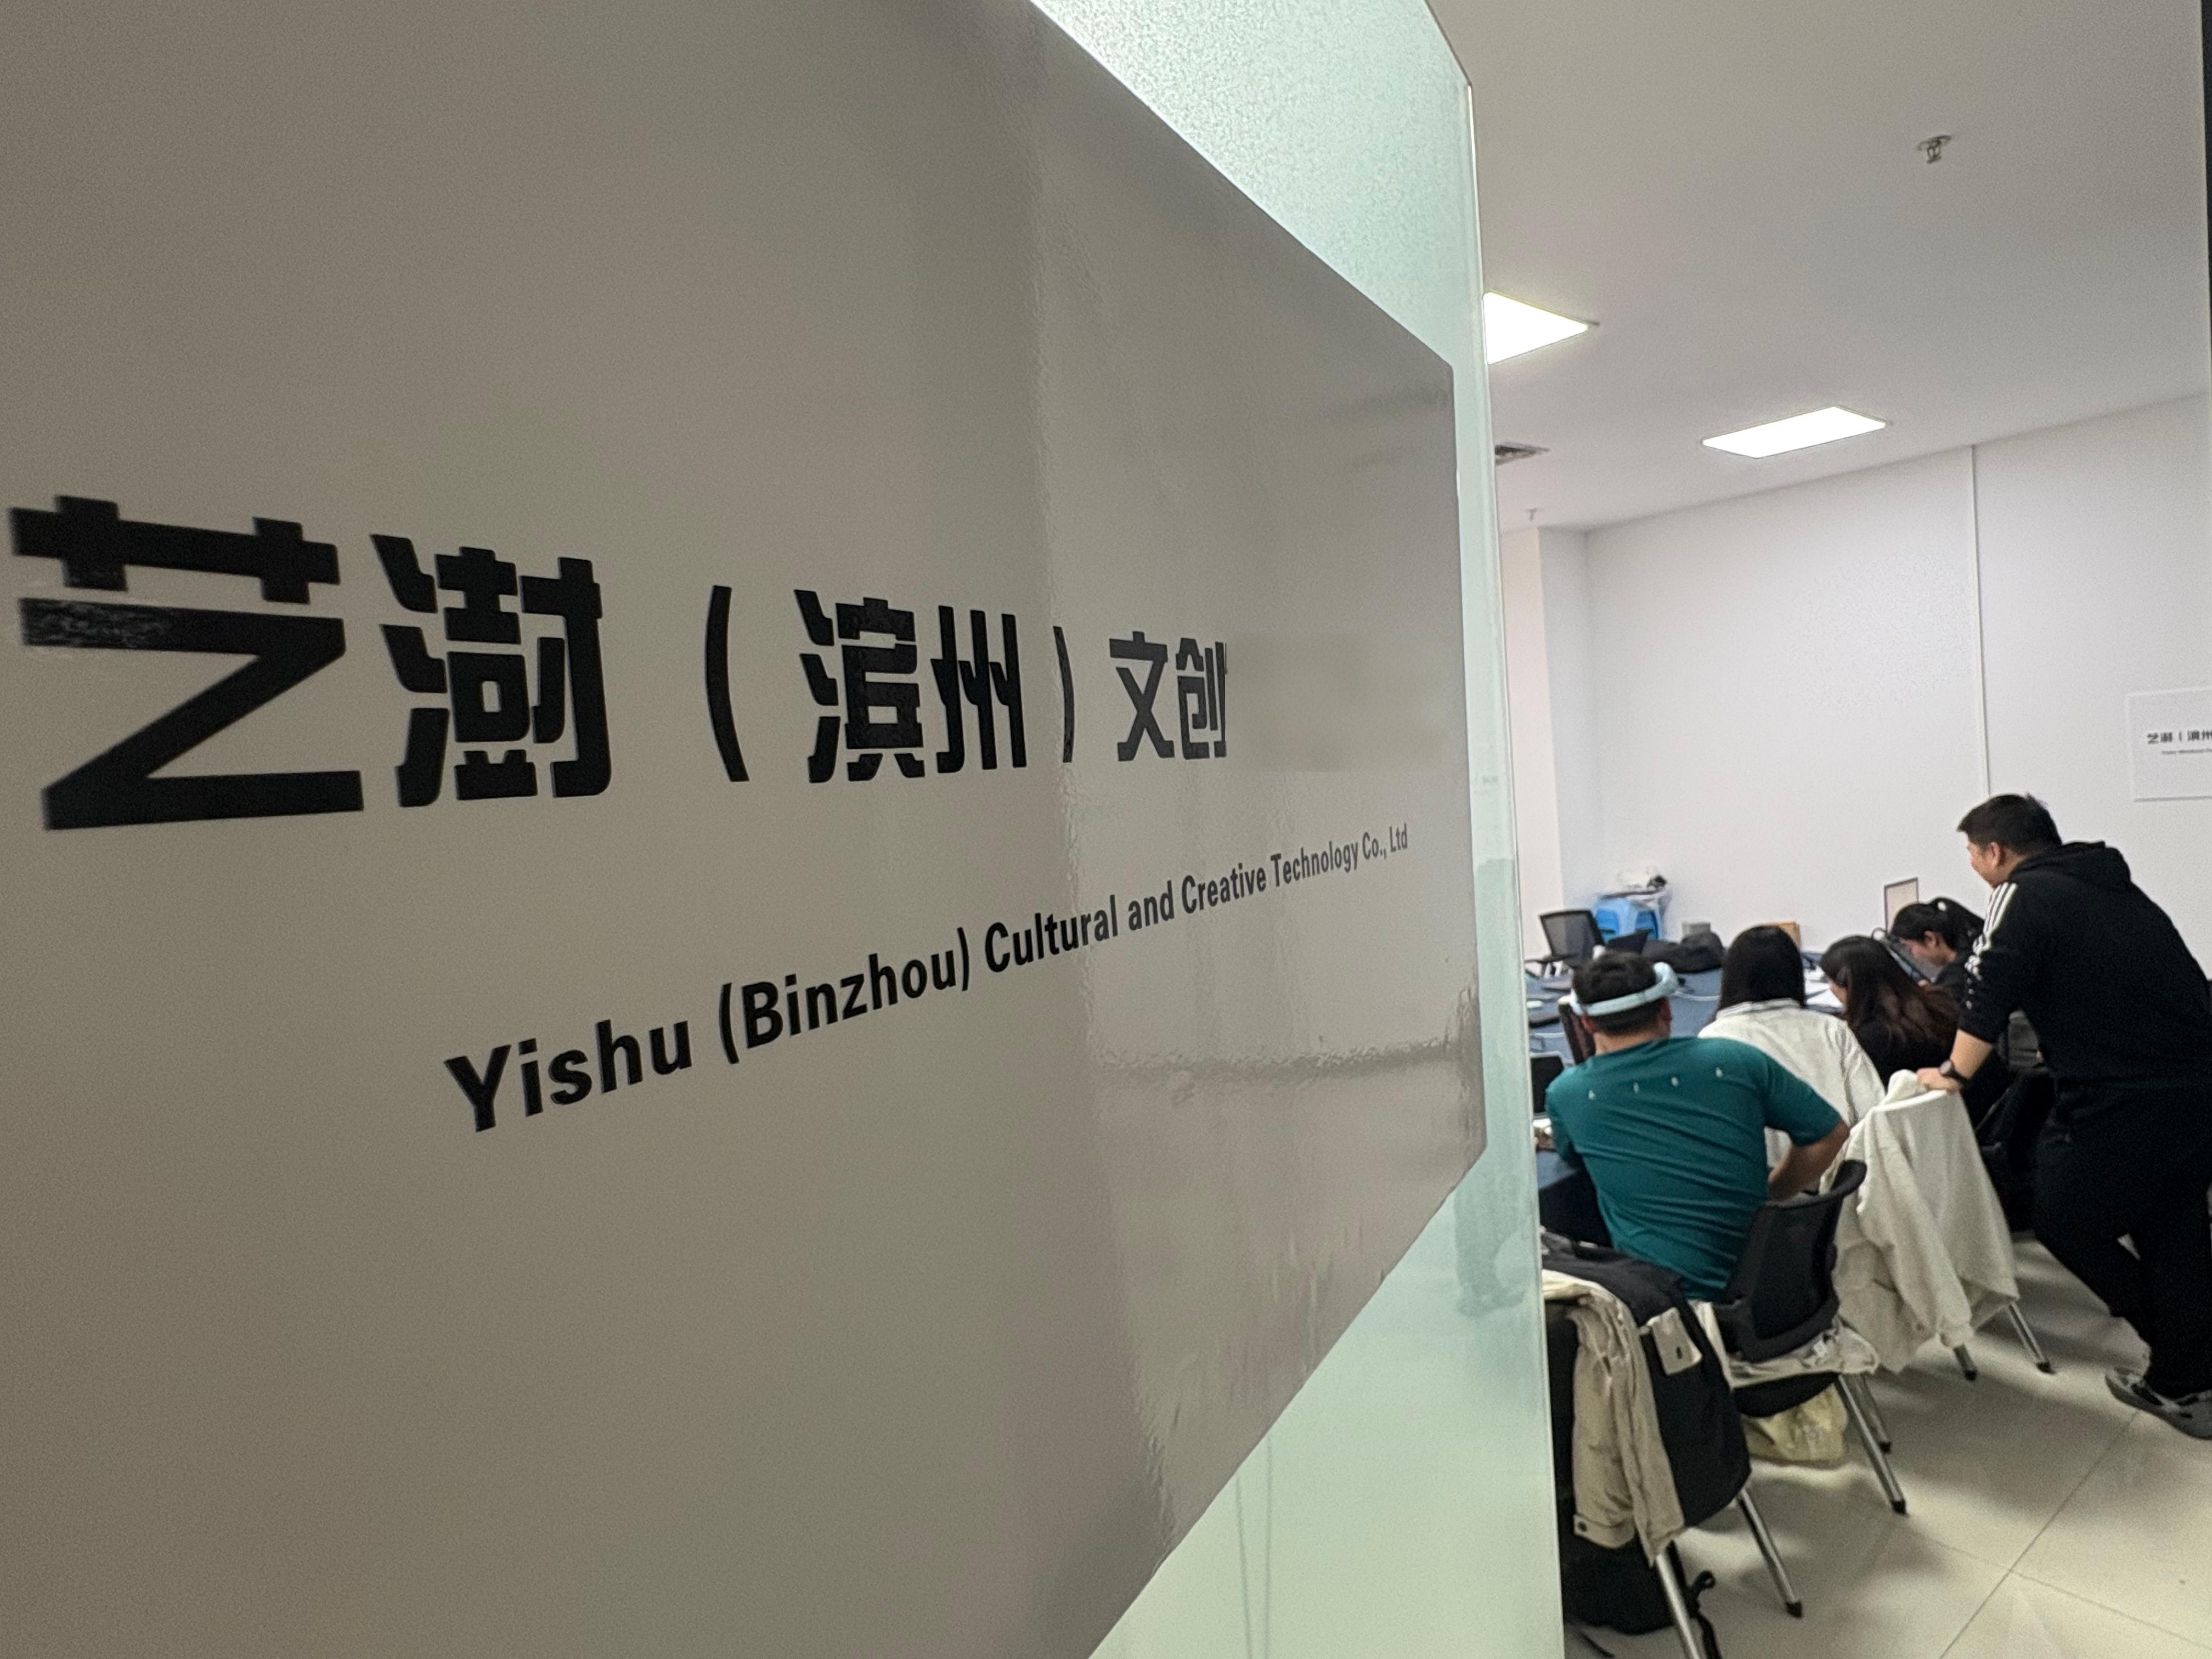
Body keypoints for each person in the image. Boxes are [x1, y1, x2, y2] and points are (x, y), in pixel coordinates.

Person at [1919, 793, 2212, 1438]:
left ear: (1996, 851)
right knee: (2174, 1224)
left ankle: (2186, 1354)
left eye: (1972, 854)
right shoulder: (2115, 889)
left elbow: (1986, 989)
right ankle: (2184, 1374)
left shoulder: (2021, 894)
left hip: (2120, 1092)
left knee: (2060, 1216)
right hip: (2195, 1082)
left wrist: (1955, 1074)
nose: (1973, 866)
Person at [1545, 953, 1847, 1300]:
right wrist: (1773, 1195)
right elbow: (1831, 1134)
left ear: (1587, 1024)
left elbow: (1572, 1157)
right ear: (1666, 1008)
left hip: (1667, 1300)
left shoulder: (1568, 1094)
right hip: (1773, 1286)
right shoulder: (1736, 1059)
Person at [1706, 926, 1886, 1154]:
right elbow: (1874, 1112)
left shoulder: (1713, 1039)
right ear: (1795, 974)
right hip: (1843, 1169)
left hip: (1762, 1173)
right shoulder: (1832, 1029)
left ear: (1730, 977)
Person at [1819, 935, 1965, 1081]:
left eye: (1830, 980)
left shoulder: (1868, 1039)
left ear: (1851, 986)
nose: (1831, 988)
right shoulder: (1939, 1002)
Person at [1891, 898, 1982, 998]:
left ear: (1930, 939)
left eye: (1910, 947)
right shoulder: (1977, 954)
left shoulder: (1954, 983)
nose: (1914, 955)